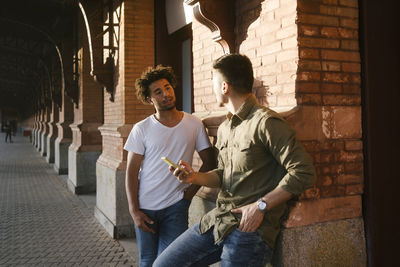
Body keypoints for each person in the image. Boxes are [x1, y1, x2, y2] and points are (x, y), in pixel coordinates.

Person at [153, 54, 317, 267]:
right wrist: (194, 177)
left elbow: (304, 172)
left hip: (249, 231)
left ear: (224, 87)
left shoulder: (266, 122)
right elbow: (223, 174)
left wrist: (260, 206)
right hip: (219, 220)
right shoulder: (225, 128)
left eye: (213, 81)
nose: (212, 88)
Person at [124, 65, 216, 267]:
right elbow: (131, 172)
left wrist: (189, 195)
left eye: (168, 87)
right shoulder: (142, 129)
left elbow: (210, 160)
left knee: (172, 261)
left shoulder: (194, 124)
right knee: (147, 261)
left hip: (176, 206)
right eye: (158, 92)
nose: (166, 94)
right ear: (149, 99)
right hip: (145, 207)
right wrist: (134, 211)